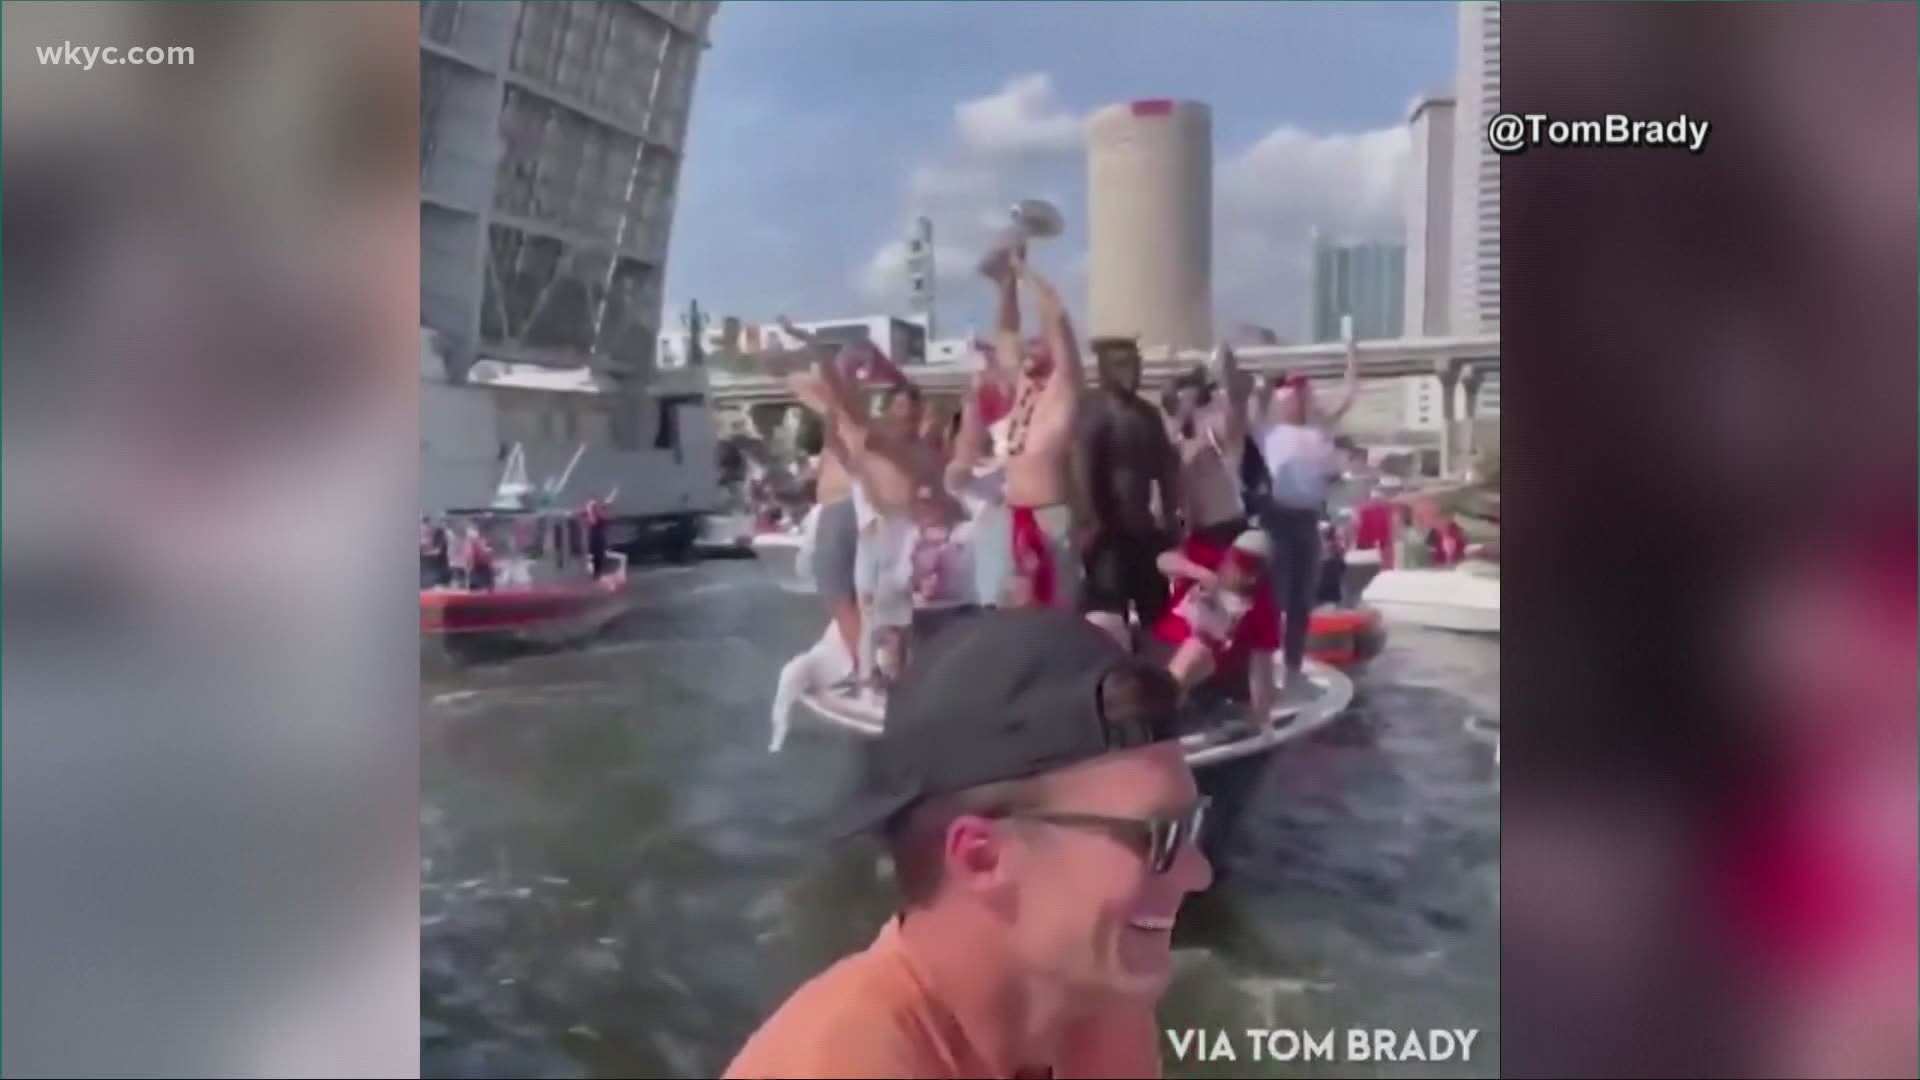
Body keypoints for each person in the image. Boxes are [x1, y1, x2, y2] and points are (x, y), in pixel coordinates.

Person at [725, 609, 1209, 1079]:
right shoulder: (846, 1063)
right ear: (981, 857)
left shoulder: (1098, 1007)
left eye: (1190, 826)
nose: (1198, 872)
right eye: (1158, 836)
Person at [949, 247, 1088, 610]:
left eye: (1038, 341)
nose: (1029, 343)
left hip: (1049, 514)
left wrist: (1023, 269)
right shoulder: (1024, 386)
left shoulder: (1063, 386)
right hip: (1012, 515)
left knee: (1055, 608)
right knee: (1005, 607)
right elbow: (1006, 333)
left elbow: (1056, 316)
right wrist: (1005, 286)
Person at [1251, 337, 1358, 696]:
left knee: (1301, 602)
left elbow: (1347, 397)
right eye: (1291, 394)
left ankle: (1293, 670)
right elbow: (1252, 404)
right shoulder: (1267, 430)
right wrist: (1267, 377)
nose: (1297, 400)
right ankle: (1270, 669)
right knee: (1276, 598)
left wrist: (1351, 358)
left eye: (1302, 394)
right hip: (1277, 521)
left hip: (1307, 522)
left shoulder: (1319, 430)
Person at [1074, 335, 1181, 647]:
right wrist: (1090, 523)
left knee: (1158, 612)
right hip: (1108, 534)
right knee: (1108, 615)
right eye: (1122, 365)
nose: (1132, 373)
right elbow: (1082, 470)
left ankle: (1156, 678)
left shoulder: (1147, 414)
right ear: (1103, 370)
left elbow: (1165, 469)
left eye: (1136, 365)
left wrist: (1172, 516)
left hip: (1144, 529)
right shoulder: (1091, 411)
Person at [1150, 529, 1279, 726]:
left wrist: (1264, 721)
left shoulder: (1262, 605)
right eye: (1241, 563)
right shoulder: (1208, 558)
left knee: (1199, 648)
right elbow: (1162, 560)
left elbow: (1262, 668)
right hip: (1159, 646)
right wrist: (1199, 573)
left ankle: (1155, 714)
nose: (1247, 576)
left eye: (1254, 570)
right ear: (1228, 556)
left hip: (1202, 669)